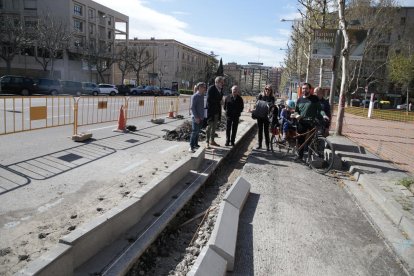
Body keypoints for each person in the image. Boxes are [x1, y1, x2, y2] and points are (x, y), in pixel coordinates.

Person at [294, 83, 329, 161]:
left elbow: (320, 109)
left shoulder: (314, 98)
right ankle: (300, 156)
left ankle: (310, 158)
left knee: (312, 141)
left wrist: (324, 115)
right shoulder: (299, 99)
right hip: (301, 122)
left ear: (310, 89)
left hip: (311, 122)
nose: (304, 90)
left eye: (306, 88)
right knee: (301, 140)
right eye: (303, 88)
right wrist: (297, 116)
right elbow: (296, 112)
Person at [206, 76, 225, 148]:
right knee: (209, 126)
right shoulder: (211, 88)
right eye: (221, 82)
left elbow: (220, 99)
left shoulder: (220, 89)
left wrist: (222, 102)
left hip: (217, 111)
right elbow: (209, 99)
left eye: (223, 82)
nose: (223, 84)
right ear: (217, 82)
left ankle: (212, 140)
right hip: (211, 111)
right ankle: (207, 141)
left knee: (214, 127)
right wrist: (219, 101)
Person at [256, 85, 275, 151]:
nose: (267, 90)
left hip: (267, 116)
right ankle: (259, 145)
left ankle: (267, 146)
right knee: (260, 130)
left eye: (269, 89)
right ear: (264, 89)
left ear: (271, 91)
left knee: (266, 131)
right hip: (260, 115)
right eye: (266, 89)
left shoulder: (272, 98)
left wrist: (270, 106)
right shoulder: (261, 96)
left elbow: (272, 106)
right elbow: (257, 104)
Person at [189, 82, 207, 153]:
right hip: (196, 117)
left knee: (197, 131)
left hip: (201, 117)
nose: (204, 89)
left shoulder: (202, 95)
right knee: (194, 132)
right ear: (199, 87)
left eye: (205, 87)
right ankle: (191, 146)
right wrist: (196, 117)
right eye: (203, 87)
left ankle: (196, 144)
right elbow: (193, 108)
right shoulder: (195, 96)